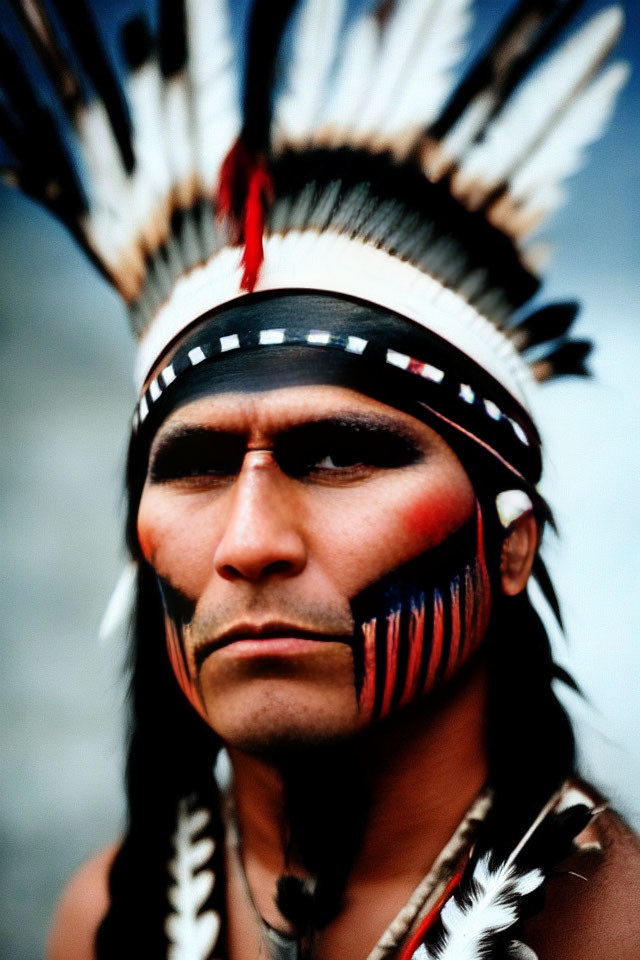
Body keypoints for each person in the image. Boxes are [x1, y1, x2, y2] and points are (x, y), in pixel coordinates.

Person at [3, 0, 638, 958]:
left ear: (510, 543)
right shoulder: (108, 920)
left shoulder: (617, 930)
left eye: (339, 454)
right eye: (199, 467)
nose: (250, 541)